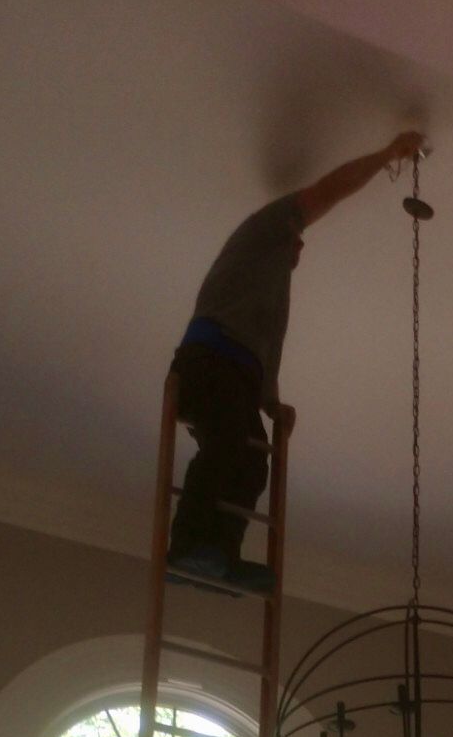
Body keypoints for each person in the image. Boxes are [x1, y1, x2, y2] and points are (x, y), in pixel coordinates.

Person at [167, 129, 427, 595]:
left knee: (251, 466)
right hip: (209, 360)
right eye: (298, 241)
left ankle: (218, 557)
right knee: (228, 449)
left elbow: (263, 352)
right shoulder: (263, 233)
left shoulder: (269, 292)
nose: (301, 251)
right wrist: (388, 155)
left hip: (237, 372)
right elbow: (328, 191)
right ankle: (187, 549)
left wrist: (271, 402)